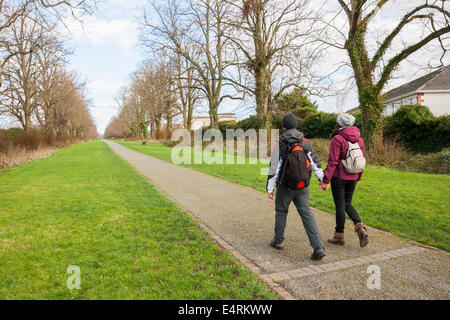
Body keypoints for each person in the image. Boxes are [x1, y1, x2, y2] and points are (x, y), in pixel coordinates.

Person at [267, 112, 326, 260]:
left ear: (283, 126)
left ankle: (278, 241)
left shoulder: (279, 141)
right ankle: (318, 247)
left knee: (281, 211)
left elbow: (274, 167)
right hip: (303, 185)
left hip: (285, 186)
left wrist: (270, 188)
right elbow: (315, 162)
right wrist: (323, 180)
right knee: (306, 214)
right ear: (296, 125)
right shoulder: (304, 141)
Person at [320, 113, 369, 248]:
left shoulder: (338, 138)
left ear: (339, 124)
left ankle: (339, 235)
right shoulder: (359, 139)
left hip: (340, 177)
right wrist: (358, 177)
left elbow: (332, 162)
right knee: (347, 203)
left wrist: (325, 180)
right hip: (353, 176)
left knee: (340, 206)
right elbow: (362, 159)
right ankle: (360, 228)